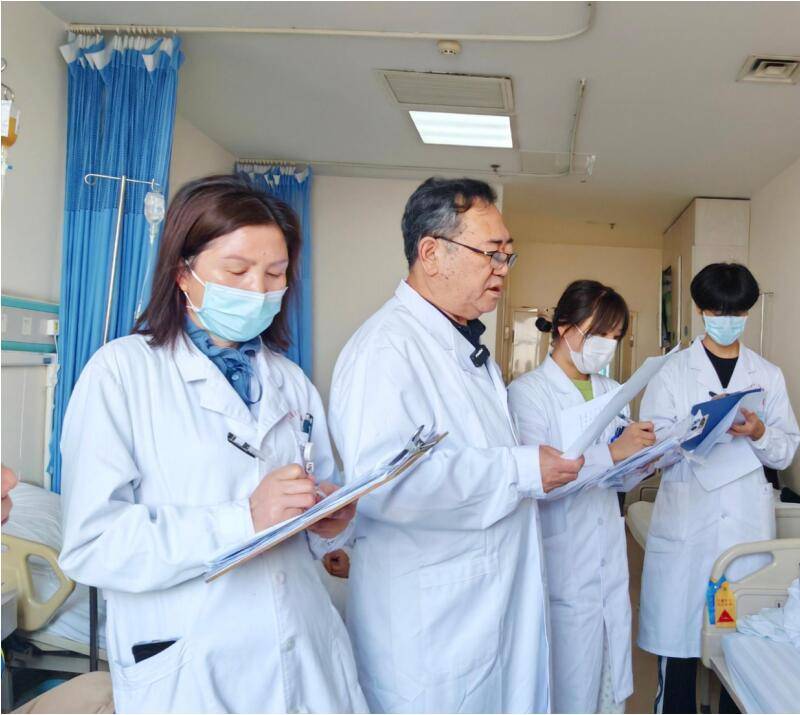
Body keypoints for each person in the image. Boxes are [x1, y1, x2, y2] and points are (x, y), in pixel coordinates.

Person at [58, 175, 367, 714]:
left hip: (302, 646)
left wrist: (329, 522)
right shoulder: (121, 374)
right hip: (192, 664)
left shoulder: (290, 381)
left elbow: (316, 505)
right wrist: (242, 519)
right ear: (183, 272)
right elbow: (93, 545)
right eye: (237, 271)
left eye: (275, 273)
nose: (258, 289)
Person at [328, 177, 584, 713]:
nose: (503, 269)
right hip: (432, 634)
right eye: (491, 253)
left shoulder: (464, 346)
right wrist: (520, 470)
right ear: (431, 254)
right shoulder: (386, 349)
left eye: (508, 255)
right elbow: (388, 485)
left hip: (478, 612)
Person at [638, 263, 800, 713]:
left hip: (744, 528)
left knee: (741, 655)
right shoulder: (672, 372)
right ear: (701, 310)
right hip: (687, 524)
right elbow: (650, 448)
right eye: (717, 311)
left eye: (736, 312)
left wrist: (758, 432)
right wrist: (698, 429)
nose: (726, 320)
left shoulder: (767, 375)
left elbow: (785, 452)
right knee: (679, 655)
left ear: (747, 313)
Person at [508, 280, 656, 714]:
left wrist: (642, 460)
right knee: (567, 689)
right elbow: (539, 480)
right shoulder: (528, 393)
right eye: (599, 334)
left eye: (615, 336)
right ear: (564, 327)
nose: (607, 345)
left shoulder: (613, 390)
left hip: (607, 553)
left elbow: (617, 481)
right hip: (563, 558)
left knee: (608, 687)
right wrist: (613, 453)